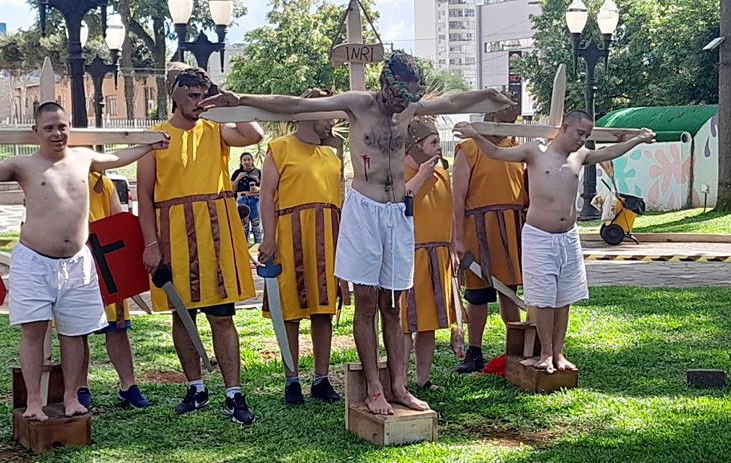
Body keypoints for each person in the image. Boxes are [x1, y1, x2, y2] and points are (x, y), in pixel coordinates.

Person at [201, 50, 513, 414]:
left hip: (398, 213)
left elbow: (456, 100)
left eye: (410, 98)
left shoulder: (409, 109)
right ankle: (374, 387)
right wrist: (241, 99)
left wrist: (491, 95)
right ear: (384, 83)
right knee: (366, 303)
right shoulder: (357, 105)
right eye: (399, 96)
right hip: (364, 211)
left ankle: (398, 385)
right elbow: (295, 104)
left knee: (394, 305)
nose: (403, 105)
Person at [0, 102, 168, 421]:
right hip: (34, 262)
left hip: (78, 262)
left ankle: (71, 397)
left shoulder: (84, 158)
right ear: (36, 131)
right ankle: (34, 401)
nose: (57, 133)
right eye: (49, 128)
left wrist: (149, 143)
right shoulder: (23, 165)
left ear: (69, 127)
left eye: (62, 126)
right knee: (34, 332)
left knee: (74, 333)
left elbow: (118, 156)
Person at [453, 110, 655, 373]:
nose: (582, 139)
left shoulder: (580, 156)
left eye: (587, 135)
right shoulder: (535, 152)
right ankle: (545, 353)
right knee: (544, 298)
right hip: (539, 235)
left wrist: (638, 139)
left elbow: (610, 152)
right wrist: (474, 135)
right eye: (579, 133)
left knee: (564, 296)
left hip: (568, 237)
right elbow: (496, 153)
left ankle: (559, 353)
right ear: (565, 127)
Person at [137, 64, 263, 424]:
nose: (198, 101)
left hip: (215, 231)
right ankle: (195, 387)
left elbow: (253, 133)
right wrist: (150, 243)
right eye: (192, 95)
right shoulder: (154, 137)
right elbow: (144, 197)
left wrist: (225, 100)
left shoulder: (217, 129)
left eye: (202, 94)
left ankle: (233, 393)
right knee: (182, 312)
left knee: (222, 315)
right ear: (174, 94)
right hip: (173, 232)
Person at [258, 88, 346, 405]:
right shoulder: (279, 148)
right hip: (289, 234)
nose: (333, 121)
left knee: (323, 309)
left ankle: (321, 379)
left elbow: (340, 200)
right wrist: (268, 237)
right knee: (290, 311)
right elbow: (266, 195)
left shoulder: (332, 155)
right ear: (309, 114)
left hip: (326, 237)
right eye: (328, 114)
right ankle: (291, 380)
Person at [452, 100, 526, 374]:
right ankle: (475, 351)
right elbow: (458, 199)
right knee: (477, 294)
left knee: (509, 292)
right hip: (477, 227)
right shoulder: (468, 149)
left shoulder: (516, 149)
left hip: (510, 227)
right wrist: (458, 239)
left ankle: (515, 350)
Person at [76, 172, 150, 408]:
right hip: (73, 261)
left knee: (117, 328)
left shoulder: (101, 182)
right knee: (75, 331)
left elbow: (118, 221)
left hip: (105, 260)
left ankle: (128, 385)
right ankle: (79, 387)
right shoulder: (53, 177)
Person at [399, 116, 458, 391]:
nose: (438, 147)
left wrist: (454, 245)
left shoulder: (443, 173)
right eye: (433, 142)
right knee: (404, 325)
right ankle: (398, 380)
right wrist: (422, 173)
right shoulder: (398, 173)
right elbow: (401, 200)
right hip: (410, 256)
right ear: (414, 145)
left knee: (428, 323)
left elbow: (451, 213)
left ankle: (422, 379)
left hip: (439, 254)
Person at [231, 152, 262, 244]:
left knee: (256, 225)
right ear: (241, 162)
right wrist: (238, 178)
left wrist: (257, 188)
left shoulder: (257, 172)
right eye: (244, 160)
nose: (247, 162)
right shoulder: (237, 173)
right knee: (243, 226)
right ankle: (243, 251)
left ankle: (258, 250)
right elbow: (231, 188)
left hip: (255, 200)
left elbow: (265, 187)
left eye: (249, 159)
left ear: (252, 161)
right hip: (242, 200)